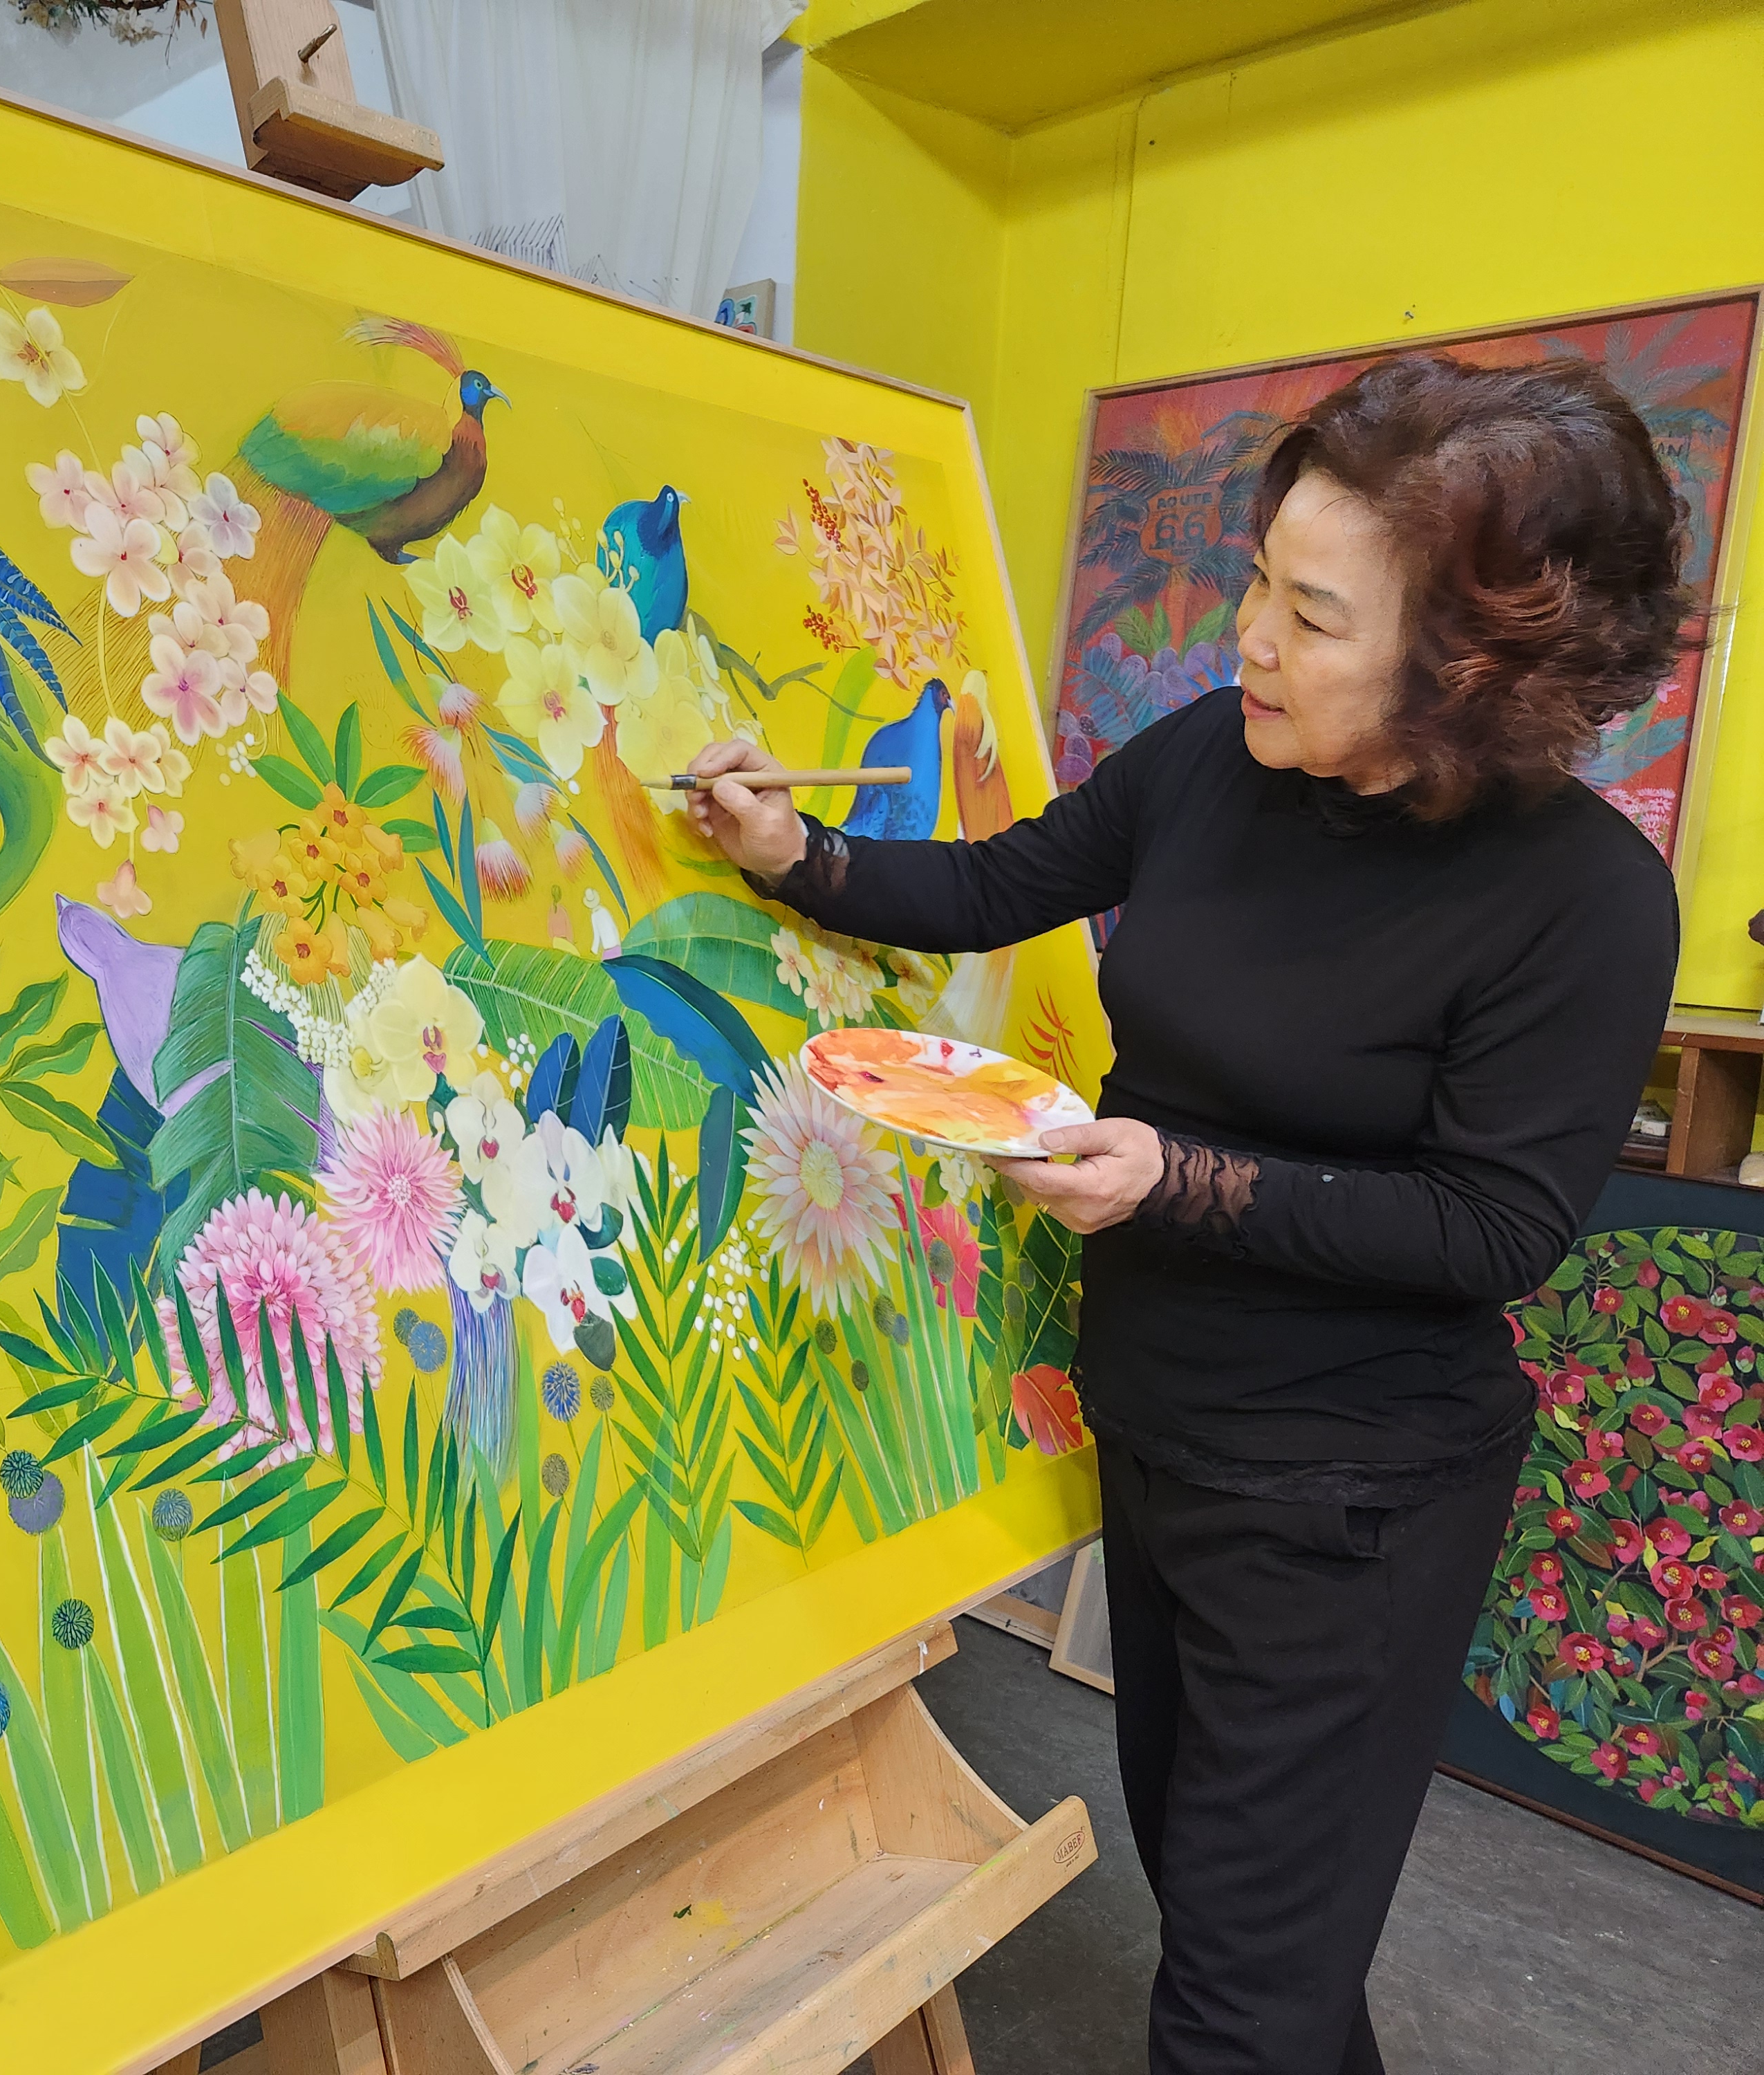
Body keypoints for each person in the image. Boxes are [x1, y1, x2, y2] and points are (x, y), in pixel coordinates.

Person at [688, 353, 1685, 2075]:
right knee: (1247, 1932)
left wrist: (1173, 1178)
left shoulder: (1585, 900)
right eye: (1255, 583)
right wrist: (797, 858)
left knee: (1236, 1995)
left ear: (1464, 672)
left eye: (1309, 615)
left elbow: (1489, 1230)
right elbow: (1004, 880)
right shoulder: (1217, 761)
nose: (1247, 640)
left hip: (1346, 1505)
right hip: (1159, 1438)